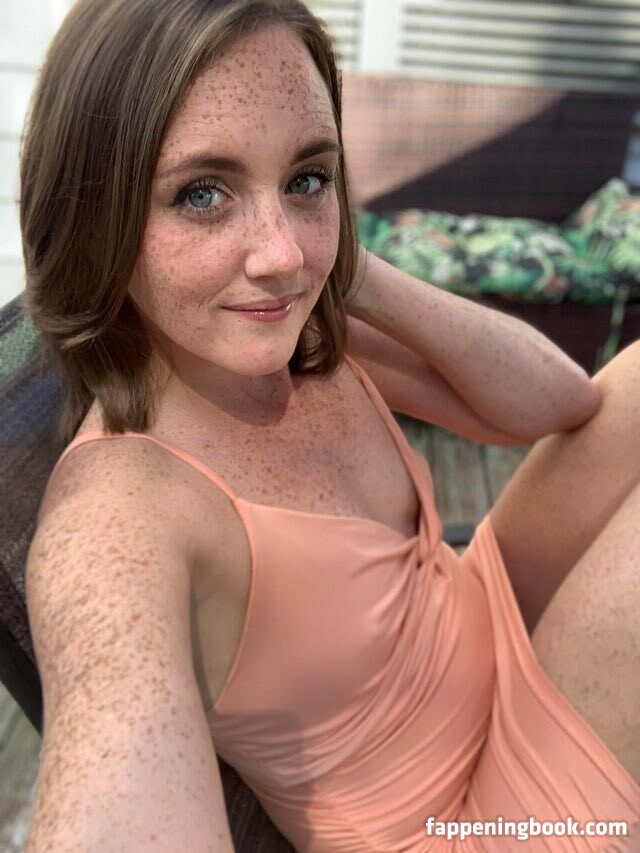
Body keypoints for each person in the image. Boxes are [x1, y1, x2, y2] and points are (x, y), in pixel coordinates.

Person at [19, 0, 639, 850]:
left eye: (306, 178)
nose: (281, 253)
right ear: (95, 217)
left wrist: (346, 269)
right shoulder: (118, 520)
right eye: (202, 193)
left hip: (488, 622)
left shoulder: (298, 335)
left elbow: (561, 403)